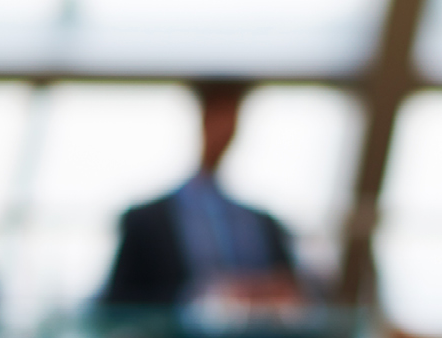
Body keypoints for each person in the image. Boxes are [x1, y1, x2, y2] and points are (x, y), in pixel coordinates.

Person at [100, 81, 301, 311]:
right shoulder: (146, 221)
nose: (225, 129)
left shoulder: (265, 223)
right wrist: (201, 297)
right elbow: (117, 302)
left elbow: (296, 290)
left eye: (232, 117)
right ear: (201, 119)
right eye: (218, 116)